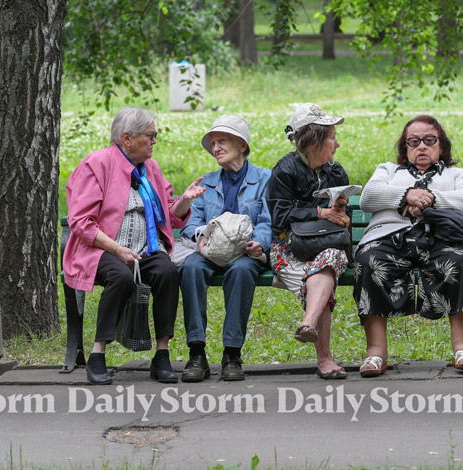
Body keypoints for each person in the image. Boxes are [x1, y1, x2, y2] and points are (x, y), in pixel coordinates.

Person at [63, 106, 205, 385]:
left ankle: (161, 354)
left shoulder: (150, 168)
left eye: (155, 135)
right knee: (121, 276)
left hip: (146, 248)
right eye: (150, 135)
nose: (154, 141)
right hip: (101, 249)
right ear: (127, 138)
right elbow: (80, 221)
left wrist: (186, 198)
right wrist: (116, 250)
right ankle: (98, 354)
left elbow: (171, 216)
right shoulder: (97, 163)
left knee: (166, 271)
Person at [353, 115, 463, 377]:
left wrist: (430, 199)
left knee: (460, 260)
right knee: (369, 260)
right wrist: (405, 195)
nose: (421, 146)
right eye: (414, 141)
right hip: (391, 238)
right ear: (405, 148)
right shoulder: (388, 171)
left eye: (429, 140)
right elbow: (368, 197)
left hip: (442, 239)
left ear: (441, 146)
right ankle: (376, 352)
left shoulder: (458, 174)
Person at [179, 115, 272, 382]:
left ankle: (232, 353)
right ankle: (197, 354)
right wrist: (200, 236)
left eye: (223, 141)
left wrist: (260, 243)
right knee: (191, 268)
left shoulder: (265, 178)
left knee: (242, 271)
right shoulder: (207, 182)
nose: (216, 148)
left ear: (242, 145)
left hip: (246, 252)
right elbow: (192, 222)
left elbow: (268, 220)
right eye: (213, 143)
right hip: (210, 252)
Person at [266, 103, 352, 380]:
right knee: (322, 278)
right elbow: (278, 216)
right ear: (314, 141)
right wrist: (319, 212)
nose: (337, 144)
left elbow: (344, 213)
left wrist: (342, 215)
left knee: (331, 259)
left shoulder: (335, 172)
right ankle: (325, 359)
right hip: (288, 248)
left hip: (326, 247)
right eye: (332, 138)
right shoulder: (285, 170)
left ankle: (307, 323)